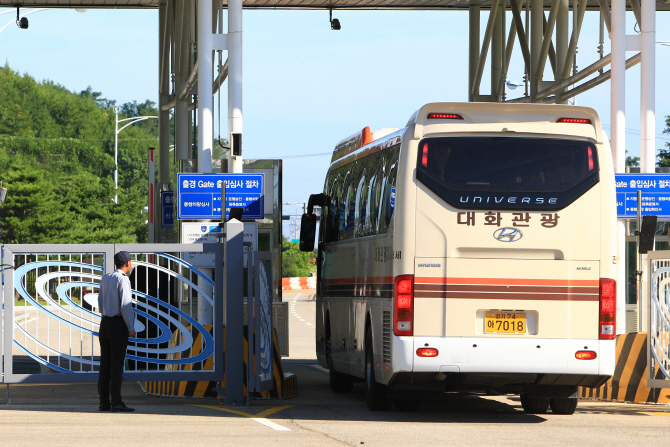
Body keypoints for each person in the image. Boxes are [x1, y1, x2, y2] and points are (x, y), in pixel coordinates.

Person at [97, 250, 137, 412]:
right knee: (117, 365)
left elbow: (100, 302)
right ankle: (117, 401)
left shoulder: (106, 278)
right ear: (127, 263)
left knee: (105, 365)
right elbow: (126, 306)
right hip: (117, 325)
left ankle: (104, 401)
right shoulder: (123, 280)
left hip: (105, 323)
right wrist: (131, 327)